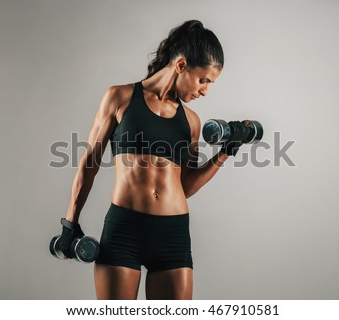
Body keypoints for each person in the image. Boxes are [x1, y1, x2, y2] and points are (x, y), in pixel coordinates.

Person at [57, 19, 244, 300]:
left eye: (210, 84)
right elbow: (89, 164)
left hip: (173, 234)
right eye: (203, 79)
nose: (205, 90)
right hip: (125, 230)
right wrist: (70, 222)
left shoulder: (192, 121)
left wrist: (225, 153)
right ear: (181, 65)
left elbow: (185, 187)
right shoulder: (119, 98)